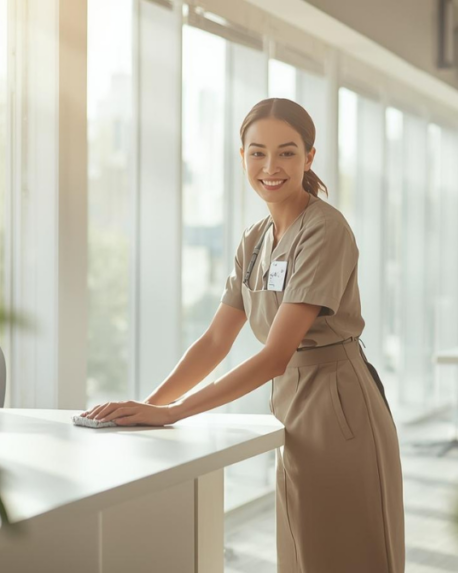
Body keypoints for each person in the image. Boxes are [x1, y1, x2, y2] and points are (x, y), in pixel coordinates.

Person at [82, 98, 405, 572]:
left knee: (343, 555)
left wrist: (172, 413)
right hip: (292, 405)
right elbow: (215, 342)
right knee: (299, 553)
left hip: (339, 405)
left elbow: (276, 354)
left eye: (287, 153)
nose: (270, 167)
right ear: (242, 157)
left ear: (309, 157)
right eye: (257, 153)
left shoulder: (325, 230)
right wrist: (148, 407)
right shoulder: (255, 240)